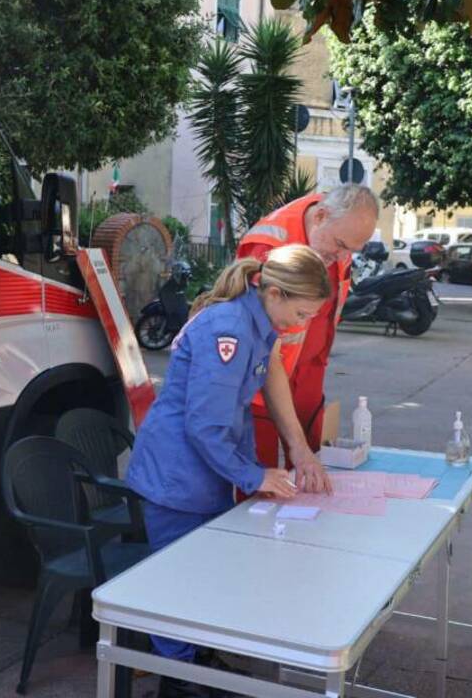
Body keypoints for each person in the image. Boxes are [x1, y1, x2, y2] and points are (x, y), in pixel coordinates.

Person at [125, 244, 332, 698]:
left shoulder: (258, 321)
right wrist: (255, 476)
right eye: (302, 312)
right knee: (180, 578)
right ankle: (177, 678)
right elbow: (205, 425)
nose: (304, 324)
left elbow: (259, 384)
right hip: (178, 476)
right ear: (273, 292)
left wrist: (290, 454)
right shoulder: (231, 330)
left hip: (204, 472)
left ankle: (194, 658)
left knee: (203, 573)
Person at [237, 184, 379, 480]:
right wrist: (296, 445)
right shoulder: (268, 249)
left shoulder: (338, 229)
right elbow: (264, 357)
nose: (342, 256)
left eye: (351, 251)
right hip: (261, 386)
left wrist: (302, 447)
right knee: (260, 483)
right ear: (321, 216)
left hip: (309, 376)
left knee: (310, 474)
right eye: (340, 245)